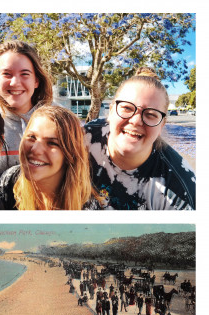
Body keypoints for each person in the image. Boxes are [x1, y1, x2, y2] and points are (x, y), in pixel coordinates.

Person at [84, 66, 196, 210]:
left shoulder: (180, 191)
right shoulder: (83, 139)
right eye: (127, 108)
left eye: (150, 114)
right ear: (111, 111)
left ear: (162, 125)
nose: (136, 121)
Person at [0, 105, 102, 210]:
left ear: (70, 154)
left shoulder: (88, 209)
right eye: (31, 137)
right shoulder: (9, 181)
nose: (35, 149)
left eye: (52, 143)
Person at [0, 40, 53, 175]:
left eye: (25, 74)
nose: (15, 82)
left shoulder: (57, 122)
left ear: (36, 81)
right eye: (7, 74)